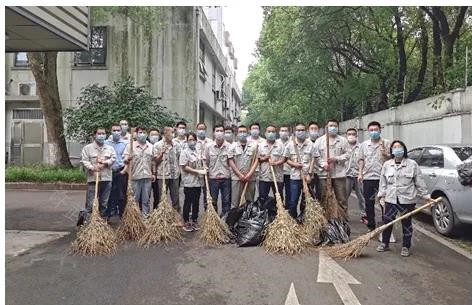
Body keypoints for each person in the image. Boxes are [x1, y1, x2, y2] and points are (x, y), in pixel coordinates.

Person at [376, 140, 433, 257]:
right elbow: (383, 182)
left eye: (399, 147)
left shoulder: (412, 164)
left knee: (406, 223)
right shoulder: (387, 165)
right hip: (391, 199)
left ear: (404, 149)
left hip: (407, 199)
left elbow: (419, 182)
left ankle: (406, 246)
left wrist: (426, 196)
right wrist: (381, 195)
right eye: (394, 147)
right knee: (387, 222)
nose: (397, 149)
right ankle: (385, 243)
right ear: (391, 151)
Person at [313, 119, 350, 219]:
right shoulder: (319, 141)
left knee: (341, 198)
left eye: (335, 125)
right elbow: (316, 156)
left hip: (339, 174)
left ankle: (343, 219)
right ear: (326, 127)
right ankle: (325, 219)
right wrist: (323, 164)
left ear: (338, 127)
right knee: (324, 197)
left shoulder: (343, 140)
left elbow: (348, 154)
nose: (332, 127)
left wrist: (336, 159)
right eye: (330, 125)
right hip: (324, 174)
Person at [358, 121, 391, 231]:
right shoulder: (364, 145)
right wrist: (360, 173)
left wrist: (386, 154)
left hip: (384, 178)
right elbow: (361, 159)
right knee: (369, 202)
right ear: (368, 131)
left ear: (380, 130)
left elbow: (393, 159)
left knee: (384, 202)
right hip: (368, 177)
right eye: (371, 130)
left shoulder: (386, 143)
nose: (373, 132)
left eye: (375, 130)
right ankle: (371, 225)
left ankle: (385, 226)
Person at [80, 127, 116, 222]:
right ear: (95, 135)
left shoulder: (109, 148)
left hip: (106, 178)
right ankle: (88, 222)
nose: (101, 136)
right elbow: (84, 161)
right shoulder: (87, 148)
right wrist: (93, 168)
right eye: (99, 134)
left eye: (103, 134)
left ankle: (102, 222)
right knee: (91, 202)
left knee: (104, 202)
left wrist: (105, 162)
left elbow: (113, 159)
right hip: (93, 178)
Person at [283, 123, 314, 218]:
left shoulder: (310, 144)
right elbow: (286, 159)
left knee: (306, 201)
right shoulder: (290, 145)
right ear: (295, 132)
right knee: (293, 201)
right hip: (295, 177)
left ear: (306, 131)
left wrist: (309, 174)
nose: (300, 132)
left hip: (307, 177)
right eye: (298, 130)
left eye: (302, 130)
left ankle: (304, 219)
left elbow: (313, 159)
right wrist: (294, 164)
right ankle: (294, 220)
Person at [124, 127, 154, 217]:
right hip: (135, 176)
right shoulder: (130, 146)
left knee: (146, 199)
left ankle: (145, 216)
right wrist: (127, 159)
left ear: (147, 134)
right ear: (136, 134)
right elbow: (125, 161)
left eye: (144, 132)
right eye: (140, 132)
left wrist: (153, 173)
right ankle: (134, 217)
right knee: (134, 198)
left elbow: (153, 162)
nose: (142, 134)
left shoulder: (151, 147)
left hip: (147, 176)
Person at [180, 132, 206, 232]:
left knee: (196, 202)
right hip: (189, 182)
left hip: (198, 182)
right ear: (186, 141)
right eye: (190, 140)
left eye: (193, 140)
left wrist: (204, 167)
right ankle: (186, 221)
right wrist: (198, 171)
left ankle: (194, 220)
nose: (192, 142)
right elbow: (184, 167)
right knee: (188, 202)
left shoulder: (198, 152)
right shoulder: (184, 152)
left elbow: (200, 164)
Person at [204, 124, 233, 215]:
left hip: (226, 178)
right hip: (213, 179)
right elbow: (206, 162)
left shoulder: (229, 146)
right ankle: (214, 222)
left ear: (224, 133)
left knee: (226, 202)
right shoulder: (208, 147)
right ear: (213, 133)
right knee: (213, 202)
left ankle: (225, 221)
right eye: (217, 131)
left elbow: (231, 162)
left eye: (221, 131)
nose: (219, 133)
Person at [228, 125, 258, 208]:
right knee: (235, 202)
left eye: (244, 132)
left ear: (247, 133)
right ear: (237, 134)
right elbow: (231, 161)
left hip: (250, 178)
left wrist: (249, 174)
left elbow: (256, 160)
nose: (242, 134)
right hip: (237, 178)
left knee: (250, 201)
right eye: (240, 132)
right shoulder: (232, 146)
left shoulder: (254, 146)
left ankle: (248, 219)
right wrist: (240, 175)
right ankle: (235, 219)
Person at [154, 126, 181, 212]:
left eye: (174, 132)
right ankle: (162, 218)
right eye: (171, 132)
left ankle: (177, 217)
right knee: (162, 198)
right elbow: (156, 161)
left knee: (176, 198)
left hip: (174, 175)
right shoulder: (157, 145)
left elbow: (179, 158)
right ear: (165, 133)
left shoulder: (176, 145)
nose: (173, 134)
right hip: (163, 176)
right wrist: (161, 153)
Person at [105, 123, 128, 218]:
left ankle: (122, 215)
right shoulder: (106, 143)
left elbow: (127, 160)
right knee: (108, 194)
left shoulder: (125, 144)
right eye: (114, 130)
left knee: (121, 195)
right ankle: (108, 215)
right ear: (111, 131)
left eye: (118, 130)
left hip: (121, 171)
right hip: (108, 171)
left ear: (121, 131)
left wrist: (124, 170)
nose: (116, 132)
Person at [258, 124, 285, 202]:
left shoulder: (281, 146)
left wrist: (276, 163)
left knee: (279, 199)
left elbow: (284, 159)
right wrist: (264, 158)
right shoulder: (260, 146)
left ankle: (279, 213)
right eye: (269, 131)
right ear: (265, 133)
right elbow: (257, 160)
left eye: (273, 132)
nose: (271, 133)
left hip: (277, 177)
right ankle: (264, 213)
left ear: (276, 133)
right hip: (264, 177)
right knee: (262, 199)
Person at [345, 128, 367, 223]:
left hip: (359, 175)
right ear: (346, 135)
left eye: (353, 134)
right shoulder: (343, 146)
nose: (351, 136)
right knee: (344, 197)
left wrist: (361, 173)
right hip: (346, 175)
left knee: (362, 196)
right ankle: (344, 215)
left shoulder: (362, 147)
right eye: (349, 134)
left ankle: (364, 215)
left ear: (356, 136)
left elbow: (364, 159)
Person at [195, 122, 213, 208]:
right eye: (199, 129)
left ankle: (207, 210)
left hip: (208, 172)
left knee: (208, 193)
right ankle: (194, 213)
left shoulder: (210, 142)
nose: (201, 131)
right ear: (196, 130)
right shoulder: (193, 141)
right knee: (195, 194)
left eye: (203, 129)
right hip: (196, 172)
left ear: (206, 130)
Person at [307, 121, 322, 201]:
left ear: (318, 130)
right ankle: (307, 211)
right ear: (308, 130)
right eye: (311, 128)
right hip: (310, 172)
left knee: (320, 192)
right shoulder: (306, 142)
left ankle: (321, 210)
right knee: (308, 193)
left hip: (320, 172)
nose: (313, 130)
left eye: (315, 129)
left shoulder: (322, 141)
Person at [149, 128, 161, 210]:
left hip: (159, 174)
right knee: (146, 195)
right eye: (152, 135)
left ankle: (156, 212)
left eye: (156, 135)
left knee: (158, 195)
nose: (154, 137)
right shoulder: (147, 146)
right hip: (147, 174)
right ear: (149, 136)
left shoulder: (161, 146)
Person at [279, 124, 291, 203]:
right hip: (279, 173)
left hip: (290, 172)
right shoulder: (276, 143)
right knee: (278, 193)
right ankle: (280, 210)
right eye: (282, 131)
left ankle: (288, 210)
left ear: (289, 132)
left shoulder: (293, 143)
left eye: (285, 131)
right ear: (279, 132)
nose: (284, 133)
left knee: (289, 192)